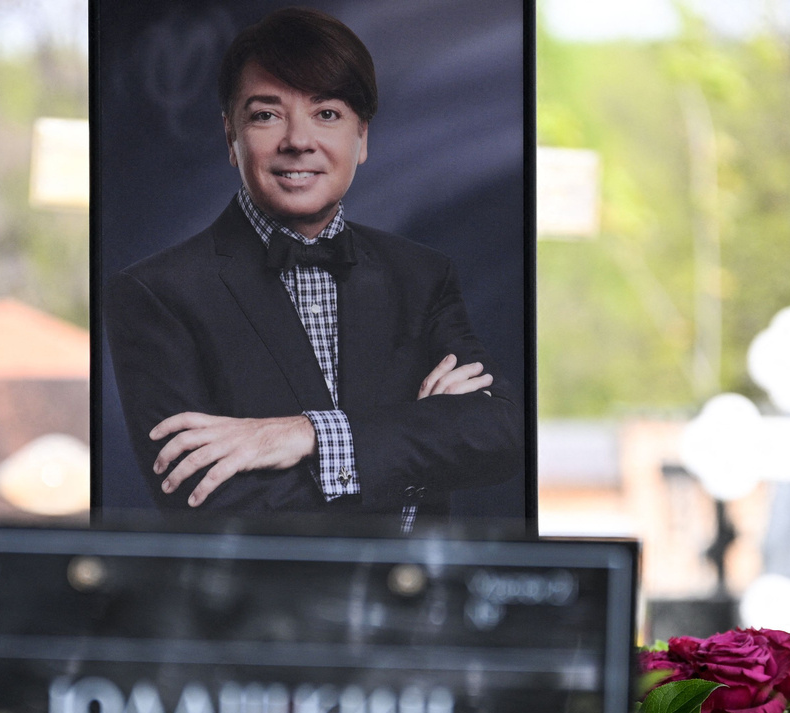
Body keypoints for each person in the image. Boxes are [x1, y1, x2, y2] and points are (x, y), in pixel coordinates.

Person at [105, 6, 520, 523]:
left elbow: (498, 434)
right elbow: (208, 502)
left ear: (362, 138)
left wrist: (307, 434)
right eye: (266, 115)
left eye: (327, 114)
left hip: (413, 578)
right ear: (231, 137)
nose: (299, 141)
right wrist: (417, 435)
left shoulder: (421, 276)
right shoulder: (154, 293)